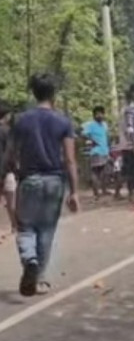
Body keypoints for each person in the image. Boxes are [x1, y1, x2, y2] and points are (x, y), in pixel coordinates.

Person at [6, 74, 80, 296]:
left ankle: (30, 259)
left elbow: (10, 154)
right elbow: (70, 159)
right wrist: (74, 192)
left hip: (29, 180)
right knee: (46, 231)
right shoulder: (63, 122)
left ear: (33, 92)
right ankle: (39, 279)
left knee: (26, 227)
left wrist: (16, 171)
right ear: (53, 93)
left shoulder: (21, 120)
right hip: (55, 181)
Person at [81, 106, 111, 200]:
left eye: (101, 113)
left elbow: (106, 136)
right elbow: (83, 134)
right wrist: (91, 140)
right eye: (97, 114)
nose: (99, 115)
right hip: (96, 151)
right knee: (95, 172)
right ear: (94, 115)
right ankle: (96, 193)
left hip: (105, 150)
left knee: (105, 172)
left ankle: (104, 190)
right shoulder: (90, 125)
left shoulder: (104, 125)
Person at [0, 101, 16, 232]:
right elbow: (11, 152)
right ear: (6, 116)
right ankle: (15, 227)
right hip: (7, 171)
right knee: (12, 202)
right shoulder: (7, 131)